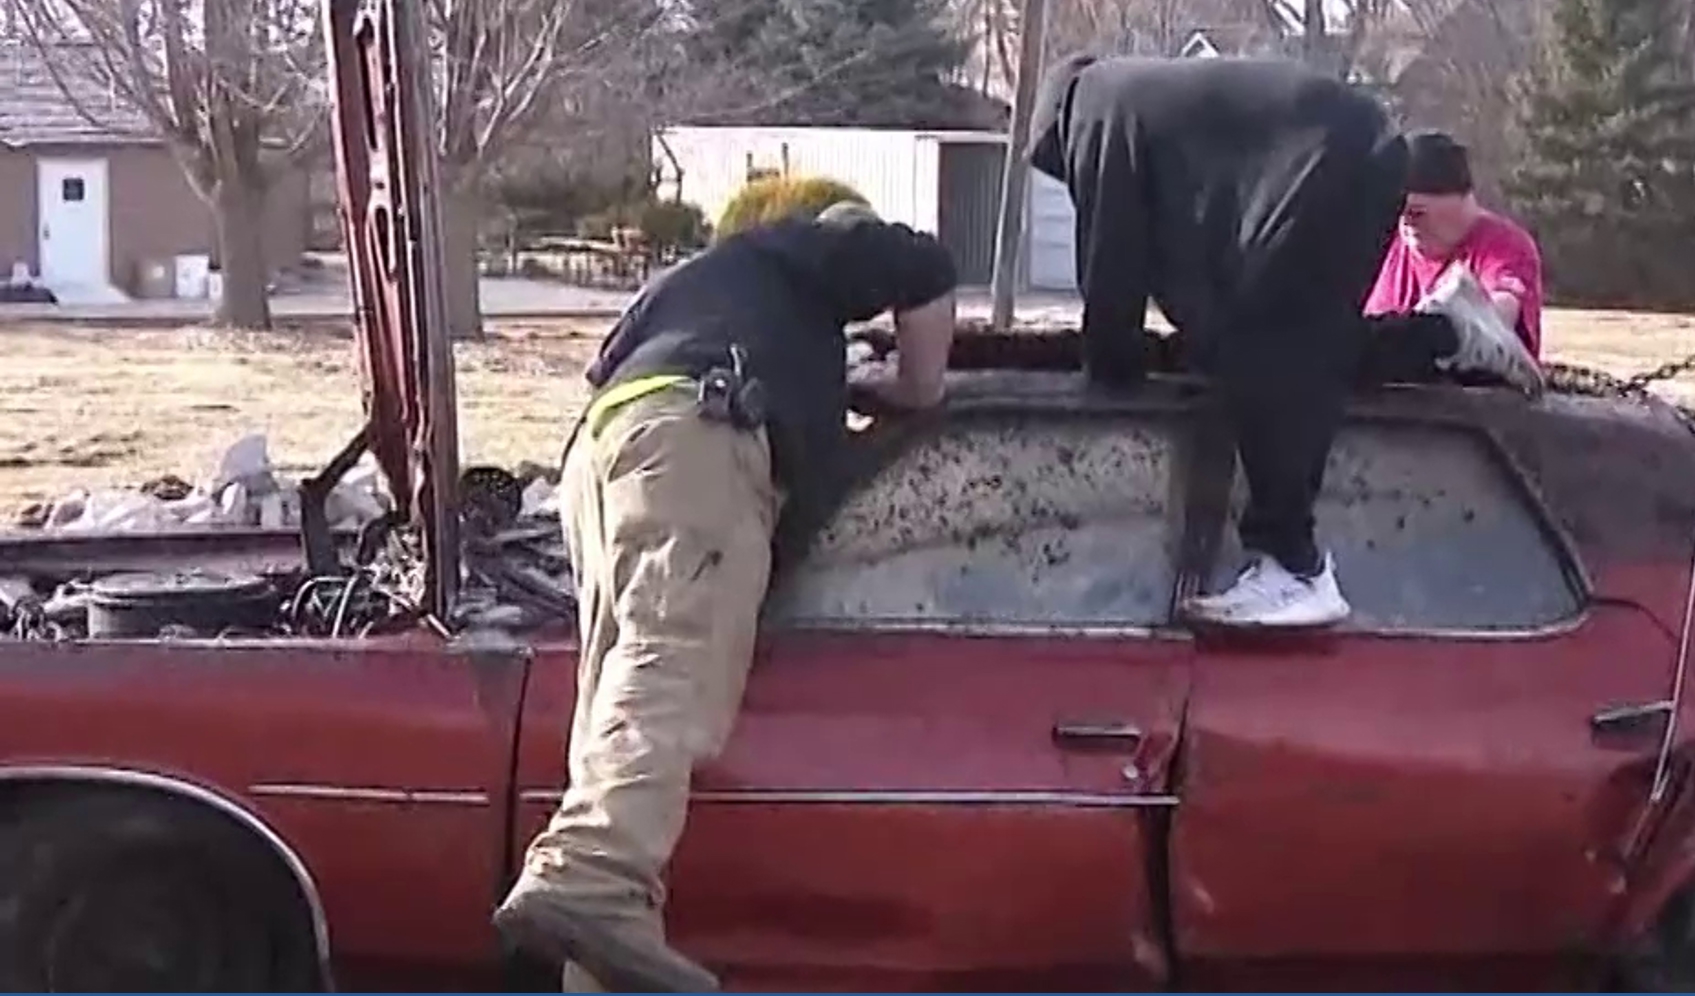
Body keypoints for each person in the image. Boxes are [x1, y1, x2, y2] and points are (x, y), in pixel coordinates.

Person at [492, 201, 958, 993]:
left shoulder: (695, 286)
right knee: (673, 665)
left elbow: (607, 376)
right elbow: (927, 267)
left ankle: (600, 958)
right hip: (700, 434)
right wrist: (913, 387)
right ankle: (588, 877)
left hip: (603, 459)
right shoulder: (813, 250)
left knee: (619, 708)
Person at [1027, 53, 1412, 628]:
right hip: (1360, 149)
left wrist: (1110, 375)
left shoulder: (1095, 108)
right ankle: (1447, 334)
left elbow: (1111, 260)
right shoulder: (1139, 100)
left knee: (1262, 341)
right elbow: (1191, 271)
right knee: (1303, 349)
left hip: (1328, 155)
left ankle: (1296, 567)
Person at [1360, 130, 1546, 391]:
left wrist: (1451, 328)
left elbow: (1498, 318)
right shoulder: (1387, 244)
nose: (1405, 223)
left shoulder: (1504, 245)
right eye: (1397, 213)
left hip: (1476, 404)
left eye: (1416, 213)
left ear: (1464, 201)